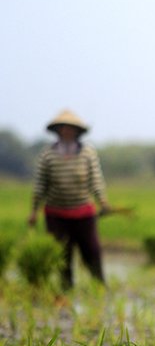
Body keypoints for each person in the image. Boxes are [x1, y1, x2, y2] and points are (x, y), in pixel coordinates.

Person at [28, 109, 111, 289]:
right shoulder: (48, 155)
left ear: (77, 131)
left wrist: (102, 201)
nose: (67, 131)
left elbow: (96, 179)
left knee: (91, 249)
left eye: (70, 128)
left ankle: (100, 284)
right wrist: (34, 211)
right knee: (62, 253)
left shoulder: (87, 153)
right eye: (63, 128)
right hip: (56, 213)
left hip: (83, 211)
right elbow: (40, 185)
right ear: (58, 130)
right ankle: (66, 287)